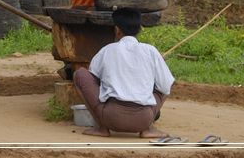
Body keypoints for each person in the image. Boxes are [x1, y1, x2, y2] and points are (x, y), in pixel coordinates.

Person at [72, 8, 174, 138]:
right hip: (143, 119)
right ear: (139, 29)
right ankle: (147, 129)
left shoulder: (107, 50)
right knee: (166, 81)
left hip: (110, 117)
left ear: (117, 30)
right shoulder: (151, 51)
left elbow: (93, 78)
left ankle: (102, 128)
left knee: (80, 74)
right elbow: (165, 86)